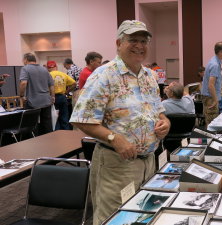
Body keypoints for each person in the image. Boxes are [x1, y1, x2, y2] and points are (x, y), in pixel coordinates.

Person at [69, 20, 170, 225]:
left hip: (149, 162)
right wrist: (114, 138)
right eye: (133, 40)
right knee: (114, 218)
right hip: (117, 164)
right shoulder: (104, 75)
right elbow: (82, 120)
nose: (139, 45)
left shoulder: (150, 76)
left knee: (142, 216)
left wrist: (165, 122)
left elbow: (160, 112)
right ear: (118, 43)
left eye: (143, 41)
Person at [19, 53, 55, 135]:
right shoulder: (44, 69)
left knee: (32, 124)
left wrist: (21, 95)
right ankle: (50, 142)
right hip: (46, 101)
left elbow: (23, 83)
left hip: (33, 102)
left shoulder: (25, 69)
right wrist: (52, 96)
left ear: (25, 59)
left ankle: (35, 143)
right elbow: (51, 85)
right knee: (47, 124)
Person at [201, 41, 222, 126]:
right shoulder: (215, 65)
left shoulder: (215, 61)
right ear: (220, 52)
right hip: (210, 98)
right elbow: (211, 85)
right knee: (211, 123)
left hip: (210, 97)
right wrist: (215, 100)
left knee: (211, 121)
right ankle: (211, 138)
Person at [47, 61, 76, 130]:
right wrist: (66, 91)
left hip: (52, 98)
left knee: (55, 117)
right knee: (64, 117)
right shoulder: (63, 74)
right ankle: (67, 134)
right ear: (56, 67)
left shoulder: (48, 75)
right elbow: (74, 83)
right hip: (63, 97)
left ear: (48, 68)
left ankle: (57, 134)